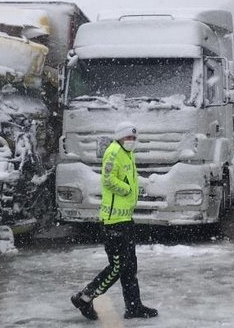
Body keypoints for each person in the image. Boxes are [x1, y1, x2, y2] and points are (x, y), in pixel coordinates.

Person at [71, 121, 159, 320]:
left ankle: (134, 307)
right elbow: (108, 180)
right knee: (118, 267)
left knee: (130, 267)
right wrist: (128, 190)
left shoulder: (127, 153)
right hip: (114, 221)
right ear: (119, 137)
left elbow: (129, 178)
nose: (132, 141)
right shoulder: (113, 152)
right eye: (128, 137)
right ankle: (85, 298)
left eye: (134, 138)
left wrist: (141, 185)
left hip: (124, 218)